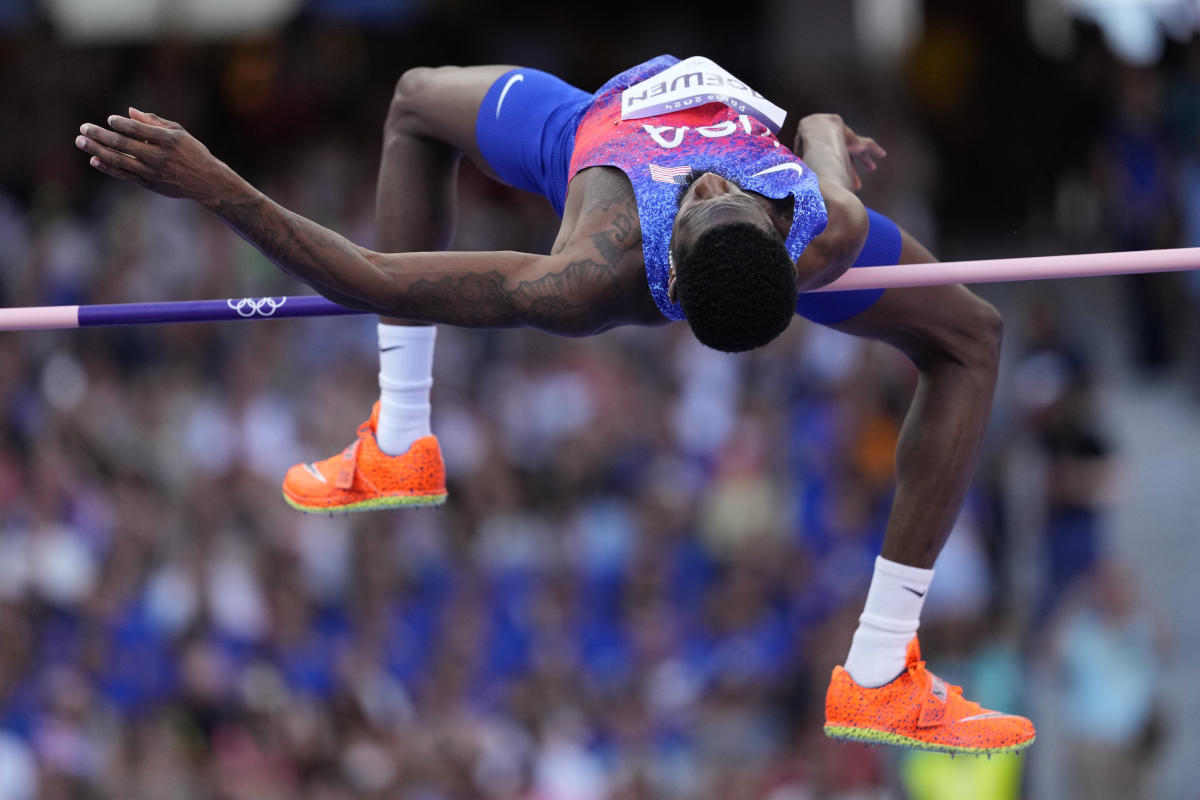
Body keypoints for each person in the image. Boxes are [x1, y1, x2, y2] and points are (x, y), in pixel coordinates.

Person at [74, 54, 1034, 755]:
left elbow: (373, 276)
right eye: (716, 192)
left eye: (708, 199)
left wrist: (218, 188)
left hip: (591, 127)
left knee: (969, 341)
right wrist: (827, 133)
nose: (709, 181)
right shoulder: (809, 220)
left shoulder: (618, 265)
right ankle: (398, 442)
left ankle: (877, 673)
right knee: (410, 101)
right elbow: (820, 128)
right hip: (634, 106)